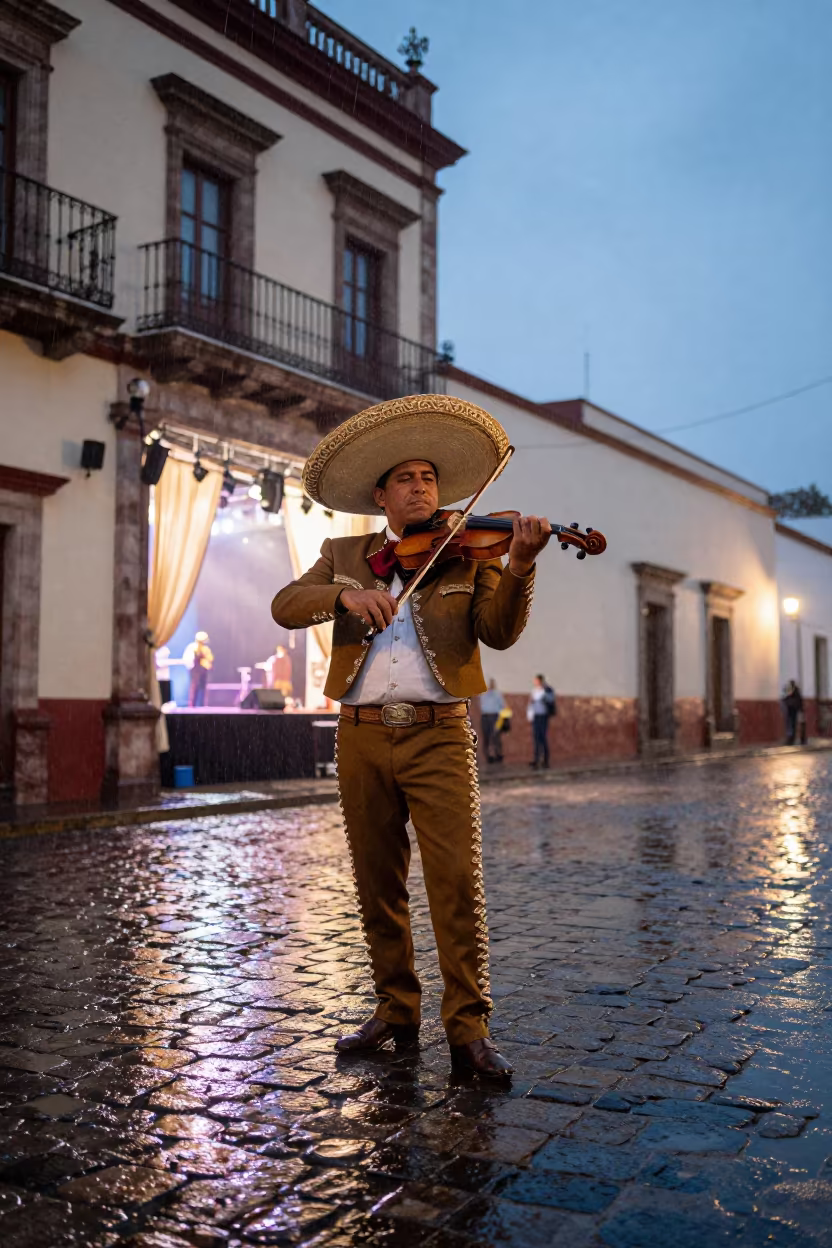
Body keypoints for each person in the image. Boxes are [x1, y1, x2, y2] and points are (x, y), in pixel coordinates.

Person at [272, 394, 551, 1079]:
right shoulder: (343, 553)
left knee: (455, 881)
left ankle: (469, 1029)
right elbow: (285, 606)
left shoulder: (469, 553)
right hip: (361, 733)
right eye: (407, 478)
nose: (422, 487)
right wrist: (344, 596)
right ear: (381, 495)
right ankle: (396, 1009)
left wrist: (518, 564)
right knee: (377, 881)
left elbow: (499, 631)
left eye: (429, 477)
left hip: (439, 733)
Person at [527, 673, 556, 768]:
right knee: (536, 738)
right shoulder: (534, 691)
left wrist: (543, 695)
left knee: (543, 738)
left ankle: (545, 760)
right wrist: (530, 715)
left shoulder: (547, 690)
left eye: (536, 680)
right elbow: (531, 703)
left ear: (540, 681)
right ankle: (536, 759)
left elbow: (551, 700)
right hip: (536, 716)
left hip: (543, 716)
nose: (534, 682)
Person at [479, 678, 506, 763]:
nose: (490, 685)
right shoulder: (483, 694)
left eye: (492, 683)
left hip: (495, 717)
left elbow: (503, 706)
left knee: (496, 736)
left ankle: (498, 755)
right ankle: (489, 756)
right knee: (486, 737)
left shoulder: (498, 694)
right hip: (485, 717)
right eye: (489, 683)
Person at [184, 631, 214, 708]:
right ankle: (192, 705)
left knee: (203, 688)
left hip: (203, 670)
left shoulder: (205, 649)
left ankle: (202, 704)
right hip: (195, 670)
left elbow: (210, 658)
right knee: (194, 687)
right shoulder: (192, 647)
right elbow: (188, 659)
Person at [783, 680, 804, 745]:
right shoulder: (792, 692)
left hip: (794, 711)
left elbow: (798, 702)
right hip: (792, 711)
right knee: (791, 725)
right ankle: (792, 739)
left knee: (793, 725)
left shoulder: (795, 693)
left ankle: (794, 739)